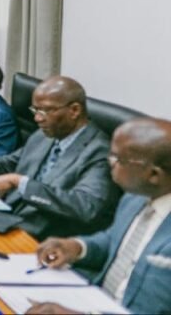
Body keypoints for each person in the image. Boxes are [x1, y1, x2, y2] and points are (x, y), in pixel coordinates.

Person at [0, 76, 120, 240]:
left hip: (46, 238)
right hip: (9, 218)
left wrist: (20, 182)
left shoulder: (99, 151)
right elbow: (8, 162)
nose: (37, 119)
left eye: (45, 111)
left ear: (74, 110)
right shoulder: (46, 135)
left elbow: (86, 206)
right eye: (35, 110)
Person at [28, 118, 171, 315]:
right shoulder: (135, 198)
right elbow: (115, 241)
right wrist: (78, 247)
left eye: (118, 159)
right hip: (94, 299)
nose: (109, 162)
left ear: (154, 175)